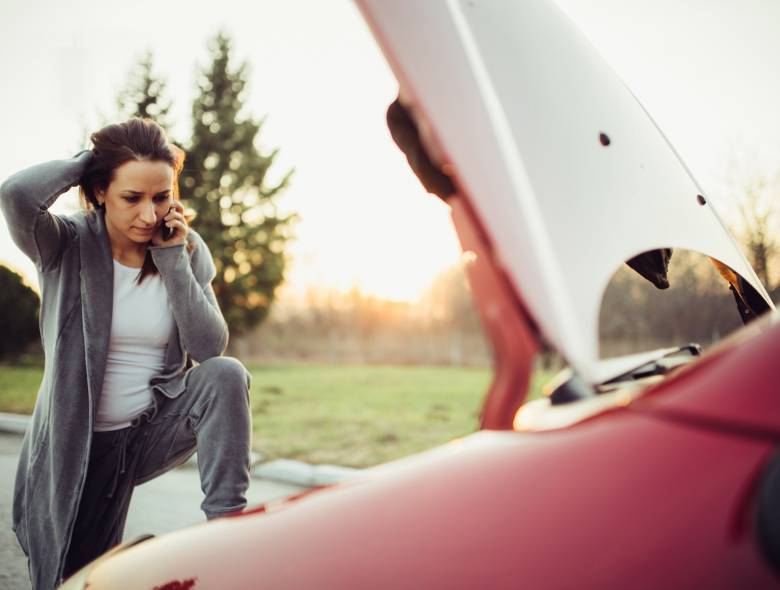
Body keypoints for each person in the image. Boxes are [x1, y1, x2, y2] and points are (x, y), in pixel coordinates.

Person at [0, 118, 253, 589]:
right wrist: (85, 164)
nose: (149, 214)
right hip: (76, 447)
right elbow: (17, 194)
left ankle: (228, 532)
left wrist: (173, 259)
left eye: (161, 196)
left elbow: (207, 347)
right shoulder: (66, 243)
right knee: (77, 578)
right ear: (99, 192)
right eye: (131, 198)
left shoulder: (185, 248)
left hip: (146, 433)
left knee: (225, 374)